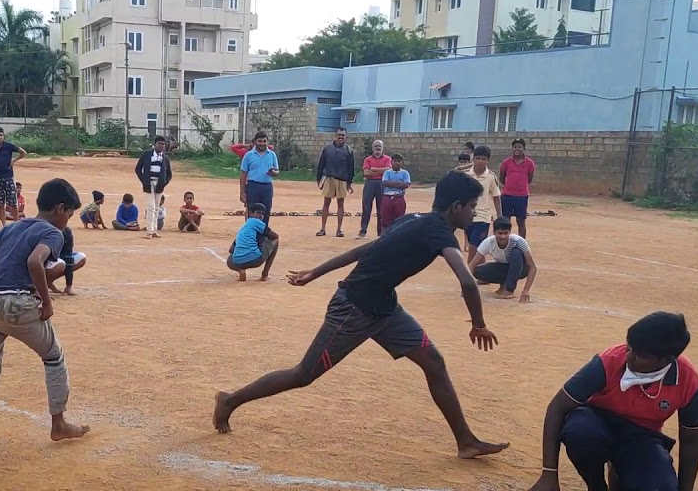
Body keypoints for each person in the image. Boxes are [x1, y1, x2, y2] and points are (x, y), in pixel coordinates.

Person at [213, 171, 509, 461]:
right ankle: (230, 400)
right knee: (304, 373)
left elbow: (366, 248)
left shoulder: (415, 220)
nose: (473, 212)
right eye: (471, 206)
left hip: (384, 307)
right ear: (456, 206)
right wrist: (479, 325)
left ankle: (465, 441)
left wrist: (317, 271)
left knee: (433, 362)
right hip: (354, 308)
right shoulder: (438, 231)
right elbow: (468, 281)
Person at [518, 312, 698, 491]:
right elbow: (557, 407)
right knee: (581, 434)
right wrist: (549, 472)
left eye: (640, 355)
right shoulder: (609, 361)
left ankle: (618, 473)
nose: (629, 356)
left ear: (666, 360)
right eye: (629, 347)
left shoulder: (690, 383)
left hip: (641, 436)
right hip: (595, 421)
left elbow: (692, 441)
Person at [0, 178, 91, 459]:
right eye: (69, 215)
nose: (67, 221)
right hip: (18, 306)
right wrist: (47, 302)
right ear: (61, 209)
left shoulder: (12, 227)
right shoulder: (52, 233)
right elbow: (35, 263)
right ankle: (58, 423)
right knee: (53, 358)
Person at [468, 218, 537, 302]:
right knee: (477, 271)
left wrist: (526, 290)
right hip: (502, 266)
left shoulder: (518, 241)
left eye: (505, 233)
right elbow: (472, 264)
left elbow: (532, 267)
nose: (502, 236)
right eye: (499, 233)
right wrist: (466, 287)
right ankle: (503, 285)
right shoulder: (488, 242)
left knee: (516, 253)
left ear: (510, 232)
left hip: (521, 268)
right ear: (494, 233)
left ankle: (509, 290)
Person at [462, 145, 501, 260]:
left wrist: (499, 217)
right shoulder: (466, 175)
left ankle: (468, 276)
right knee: (478, 248)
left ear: (488, 160)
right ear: (473, 159)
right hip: (468, 217)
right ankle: (482, 275)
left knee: (473, 248)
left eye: (483, 159)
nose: (480, 161)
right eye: (478, 158)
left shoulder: (491, 176)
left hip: (484, 218)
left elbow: (496, 197)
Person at [316, 127, 355, 237]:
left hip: (342, 180)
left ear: (346, 137)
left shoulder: (349, 150)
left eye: (343, 135)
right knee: (326, 204)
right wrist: (319, 179)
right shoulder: (327, 149)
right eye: (339, 135)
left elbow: (350, 167)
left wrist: (349, 182)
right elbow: (321, 164)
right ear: (335, 135)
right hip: (329, 178)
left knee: (340, 205)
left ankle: (339, 229)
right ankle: (323, 229)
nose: (341, 137)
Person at [226, 203, 280, 282]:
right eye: (258, 213)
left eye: (262, 214)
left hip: (237, 262)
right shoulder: (256, 222)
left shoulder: (243, 228)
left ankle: (240, 270)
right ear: (250, 213)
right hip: (256, 259)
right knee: (276, 241)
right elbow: (275, 236)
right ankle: (265, 275)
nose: (261, 216)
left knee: (230, 260)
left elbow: (231, 250)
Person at [135, 135, 173, 239]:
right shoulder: (147, 155)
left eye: (163, 144)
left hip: (159, 185)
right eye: (159, 144)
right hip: (149, 183)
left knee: (156, 208)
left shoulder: (165, 159)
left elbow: (169, 174)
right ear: (154, 145)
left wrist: (164, 183)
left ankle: (154, 230)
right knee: (151, 207)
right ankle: (149, 230)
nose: (161, 146)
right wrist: (144, 180)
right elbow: (138, 169)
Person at [0, 127, 27, 223]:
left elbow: (23, 152)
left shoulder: (9, 146)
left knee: (13, 202)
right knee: (0, 203)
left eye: (1, 135)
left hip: (9, 176)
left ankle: (16, 224)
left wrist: (14, 160)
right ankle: (4, 225)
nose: (0, 137)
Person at [499, 138, 536, 238]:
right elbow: (502, 178)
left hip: (521, 196)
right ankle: (505, 240)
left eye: (519, 147)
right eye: (515, 147)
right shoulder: (506, 163)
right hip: (507, 195)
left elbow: (529, 179)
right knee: (506, 221)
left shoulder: (529, 163)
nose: (517, 149)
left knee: (521, 221)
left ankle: (522, 243)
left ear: (524, 149)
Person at [240, 131, 279, 222]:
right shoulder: (248, 155)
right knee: (252, 212)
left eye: (264, 141)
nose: (262, 144)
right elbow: (243, 174)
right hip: (253, 186)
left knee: (266, 212)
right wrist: (242, 192)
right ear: (255, 142)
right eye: (260, 141)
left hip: (267, 187)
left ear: (267, 142)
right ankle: (251, 234)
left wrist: (273, 173)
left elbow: (277, 171)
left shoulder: (272, 155)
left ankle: (263, 235)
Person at [359, 140, 391, 239]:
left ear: (382, 148)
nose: (377, 148)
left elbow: (388, 171)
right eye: (375, 146)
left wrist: (373, 169)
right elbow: (366, 173)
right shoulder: (367, 159)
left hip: (382, 184)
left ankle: (380, 233)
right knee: (366, 208)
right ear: (373, 148)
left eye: (379, 146)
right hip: (369, 184)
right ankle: (363, 231)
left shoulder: (387, 159)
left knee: (381, 209)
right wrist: (381, 171)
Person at [46, 226, 87, 296]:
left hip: (58, 257)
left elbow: (68, 256)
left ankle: (48, 281)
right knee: (60, 264)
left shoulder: (66, 231)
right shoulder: (44, 229)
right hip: (42, 259)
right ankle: (37, 284)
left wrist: (69, 285)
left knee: (81, 258)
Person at [379, 154, 411, 234]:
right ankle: (384, 236)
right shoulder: (387, 172)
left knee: (399, 218)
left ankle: (397, 235)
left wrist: (392, 183)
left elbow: (406, 185)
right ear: (391, 162)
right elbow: (385, 183)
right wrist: (399, 183)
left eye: (399, 161)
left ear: (402, 163)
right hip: (387, 197)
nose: (396, 163)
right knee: (385, 218)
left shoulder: (405, 173)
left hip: (399, 198)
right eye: (394, 161)